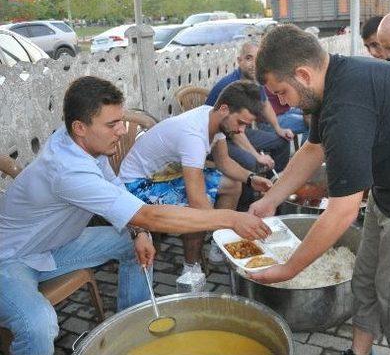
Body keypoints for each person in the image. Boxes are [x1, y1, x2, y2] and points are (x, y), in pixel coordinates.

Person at [247, 25, 390, 355]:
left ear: (303, 73)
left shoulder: (347, 108)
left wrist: (289, 269)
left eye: (282, 92)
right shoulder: (330, 81)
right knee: (366, 279)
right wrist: (271, 198)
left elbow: (342, 212)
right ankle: (359, 352)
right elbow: (313, 149)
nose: (282, 101)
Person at [0, 76, 270, 355]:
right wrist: (232, 218)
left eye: (121, 120)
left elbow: (119, 191)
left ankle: (132, 329)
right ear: (80, 127)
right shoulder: (67, 169)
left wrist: (139, 232)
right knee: (38, 324)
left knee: (137, 244)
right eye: (112, 124)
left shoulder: (84, 144)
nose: (121, 130)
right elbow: (151, 216)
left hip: (56, 246)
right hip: (11, 258)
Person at [119, 80, 273, 270]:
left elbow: (224, 162)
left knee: (233, 185)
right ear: (224, 109)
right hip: (138, 184)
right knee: (199, 210)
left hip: (167, 176)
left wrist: (251, 179)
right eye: (240, 123)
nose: (241, 131)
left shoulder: (214, 117)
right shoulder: (193, 136)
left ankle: (218, 246)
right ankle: (191, 268)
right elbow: (197, 203)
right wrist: (235, 224)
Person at [204, 40, 292, 173]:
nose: (254, 65)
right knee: (251, 161)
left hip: (238, 132)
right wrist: (257, 156)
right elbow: (233, 130)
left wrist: (278, 128)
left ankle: (273, 183)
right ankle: (251, 191)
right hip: (216, 138)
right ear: (239, 61)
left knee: (282, 142)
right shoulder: (232, 86)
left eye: (258, 60)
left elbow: (265, 104)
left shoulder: (256, 80)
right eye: (249, 58)